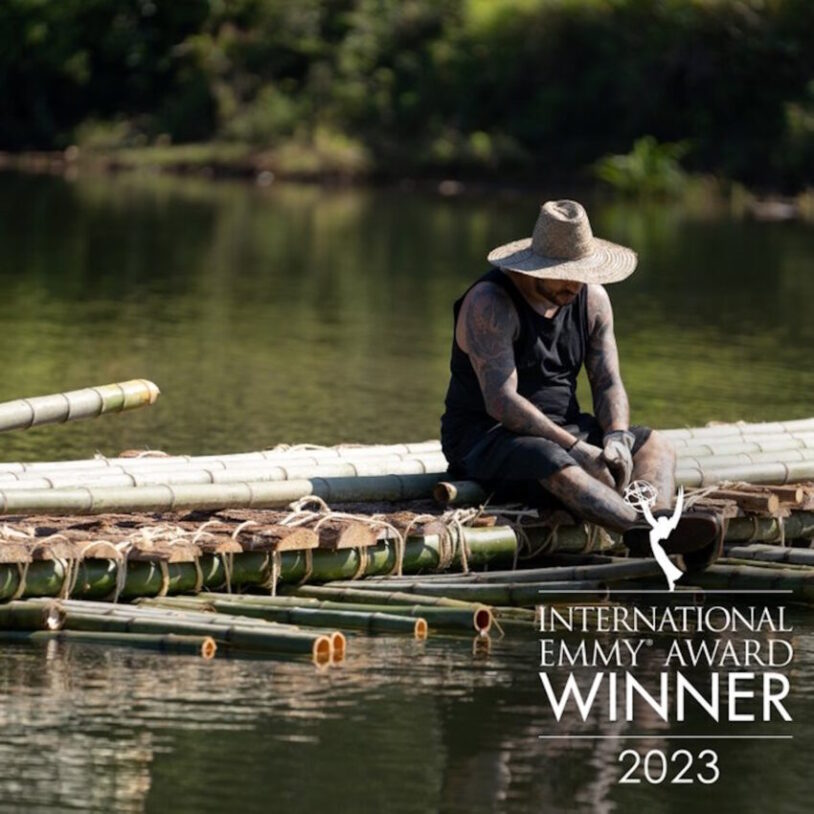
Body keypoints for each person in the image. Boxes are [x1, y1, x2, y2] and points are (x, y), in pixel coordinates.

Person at [440, 199, 720, 556]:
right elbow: (501, 401)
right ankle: (639, 530)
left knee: (655, 445)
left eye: (581, 273)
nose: (573, 285)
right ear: (536, 267)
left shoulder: (592, 300)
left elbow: (607, 381)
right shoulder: (490, 302)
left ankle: (659, 515)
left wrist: (616, 437)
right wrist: (574, 449)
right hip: (488, 439)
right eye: (563, 273)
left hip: (565, 429)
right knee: (549, 458)